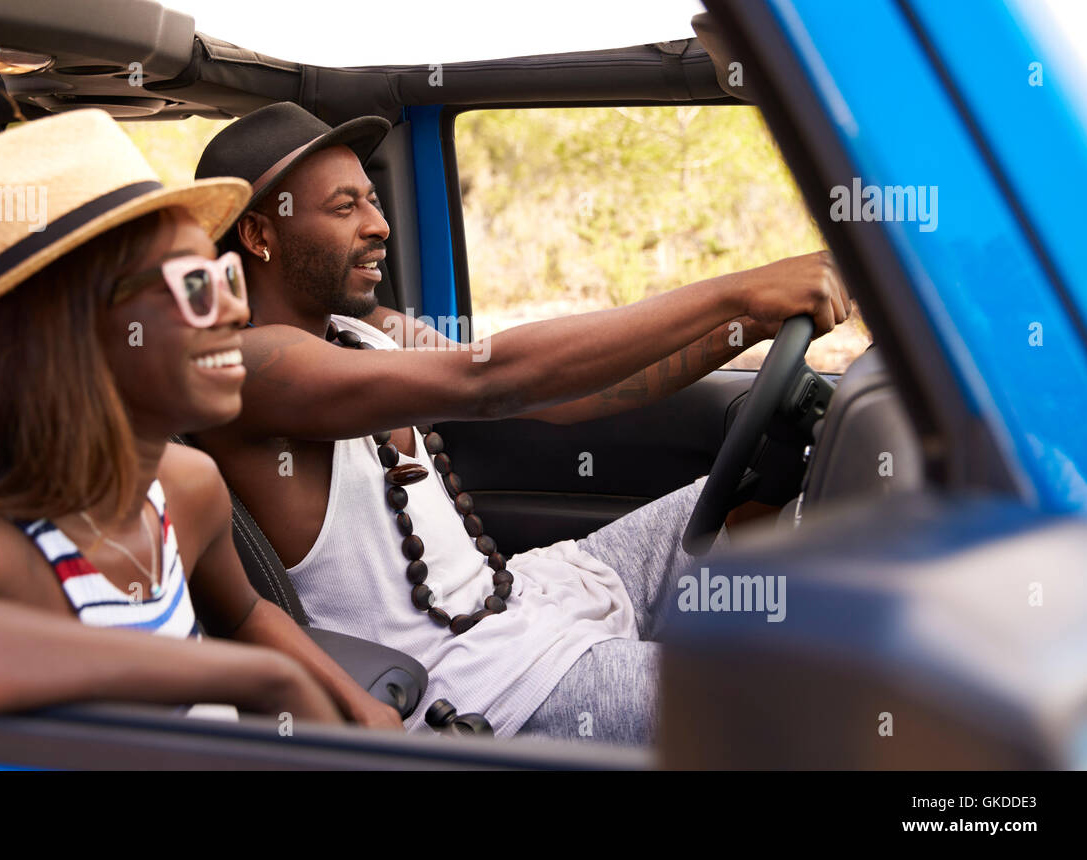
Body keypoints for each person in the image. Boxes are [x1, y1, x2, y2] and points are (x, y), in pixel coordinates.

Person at [189, 102, 852, 743]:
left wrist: (744, 326)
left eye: (372, 199)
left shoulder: (371, 330)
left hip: (527, 597)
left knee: (770, 506)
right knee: (800, 708)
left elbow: (566, 397)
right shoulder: (251, 366)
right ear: (258, 234)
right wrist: (738, 288)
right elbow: (489, 380)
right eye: (344, 206)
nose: (379, 225)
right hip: (478, 686)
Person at [0, 108, 403, 733]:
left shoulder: (186, 487)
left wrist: (350, 705)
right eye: (192, 282)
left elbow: (247, 613)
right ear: (75, 331)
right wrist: (249, 678)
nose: (231, 307)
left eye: (223, 275)